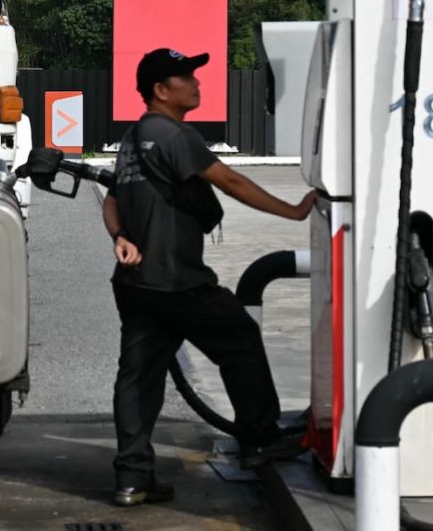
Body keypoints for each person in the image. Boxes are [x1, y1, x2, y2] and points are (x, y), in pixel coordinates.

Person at [103, 47, 316, 506]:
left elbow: (112, 199)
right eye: (186, 78)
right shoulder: (175, 134)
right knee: (239, 336)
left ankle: (132, 478)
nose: (197, 83)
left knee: (138, 379)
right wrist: (294, 211)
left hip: (137, 283)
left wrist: (120, 236)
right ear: (161, 91)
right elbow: (231, 181)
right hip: (179, 279)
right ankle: (259, 439)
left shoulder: (132, 137)